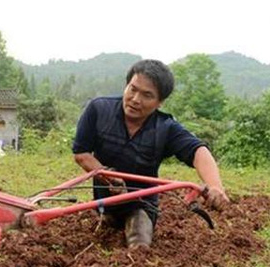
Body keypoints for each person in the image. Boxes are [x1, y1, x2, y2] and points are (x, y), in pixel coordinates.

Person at [72, 59, 229, 249]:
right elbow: (81, 153)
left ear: (159, 102)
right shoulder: (98, 109)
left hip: (142, 203)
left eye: (147, 95)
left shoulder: (165, 128)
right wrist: (108, 175)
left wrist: (215, 187)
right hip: (104, 201)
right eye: (133, 89)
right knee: (105, 230)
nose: (135, 99)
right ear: (126, 85)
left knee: (139, 242)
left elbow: (198, 151)